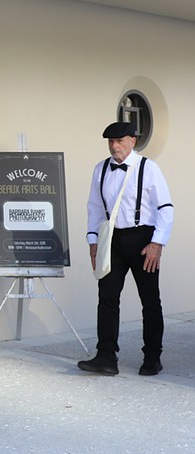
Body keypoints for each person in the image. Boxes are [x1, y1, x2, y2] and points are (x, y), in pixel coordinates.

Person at [79, 121, 173, 376]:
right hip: (113, 240)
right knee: (107, 297)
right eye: (110, 141)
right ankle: (106, 356)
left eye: (119, 141)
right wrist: (93, 242)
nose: (114, 146)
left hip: (144, 239)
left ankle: (153, 357)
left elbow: (165, 208)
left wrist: (157, 243)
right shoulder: (101, 169)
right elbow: (94, 208)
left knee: (150, 299)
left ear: (133, 140)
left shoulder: (149, 168)